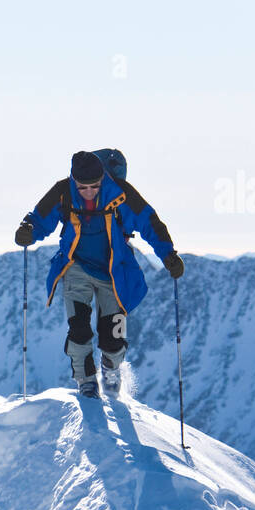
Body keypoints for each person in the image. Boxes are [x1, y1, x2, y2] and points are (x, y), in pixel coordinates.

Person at [14, 150, 184, 399]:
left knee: (113, 334)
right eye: (83, 187)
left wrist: (168, 254)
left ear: (103, 178)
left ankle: (112, 369)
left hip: (114, 272)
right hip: (76, 267)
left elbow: (150, 223)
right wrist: (27, 229)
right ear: (74, 181)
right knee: (79, 328)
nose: (90, 192)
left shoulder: (121, 194)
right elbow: (40, 218)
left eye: (95, 185)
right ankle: (86, 380)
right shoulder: (63, 192)